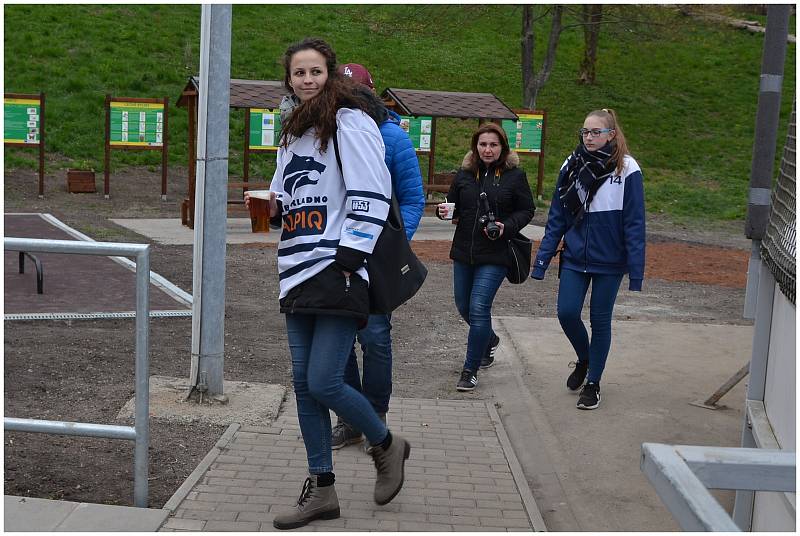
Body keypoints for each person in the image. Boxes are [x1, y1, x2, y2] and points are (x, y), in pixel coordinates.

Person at [248, 38, 411, 530]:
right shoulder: (291, 132)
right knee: (303, 386)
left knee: (325, 379)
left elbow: (372, 189)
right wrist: (275, 207)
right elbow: (286, 194)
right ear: (289, 79)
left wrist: (352, 251)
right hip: (295, 268)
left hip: (337, 266)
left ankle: (386, 444)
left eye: (314, 71)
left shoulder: (349, 121)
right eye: (298, 73)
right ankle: (322, 490)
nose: (306, 79)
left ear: (330, 73)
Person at [330, 63, 425, 449]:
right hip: (333, 256)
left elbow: (414, 198)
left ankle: (375, 415)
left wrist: (394, 245)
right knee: (338, 338)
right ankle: (351, 417)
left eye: (356, 91)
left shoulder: (393, 138)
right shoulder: (327, 134)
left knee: (375, 337)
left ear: (370, 93)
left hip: (375, 257)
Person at [530, 108, 645, 410]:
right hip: (575, 256)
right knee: (566, 313)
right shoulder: (571, 165)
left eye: (596, 132)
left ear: (611, 134)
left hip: (610, 261)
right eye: (585, 132)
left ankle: (593, 383)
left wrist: (636, 270)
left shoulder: (627, 169)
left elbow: (634, 222)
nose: (590, 137)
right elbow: (557, 216)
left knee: (600, 319)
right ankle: (585, 358)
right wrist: (542, 260)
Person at [437, 123, 535, 392]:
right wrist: (444, 212)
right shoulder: (465, 175)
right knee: (463, 306)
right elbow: (452, 206)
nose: (488, 149)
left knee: (479, 307)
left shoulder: (515, 176)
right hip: (464, 252)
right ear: (475, 147)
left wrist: (507, 226)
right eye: (483, 144)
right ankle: (489, 340)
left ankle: (470, 369)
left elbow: (527, 210)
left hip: (496, 252)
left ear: (503, 147)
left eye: (493, 144)